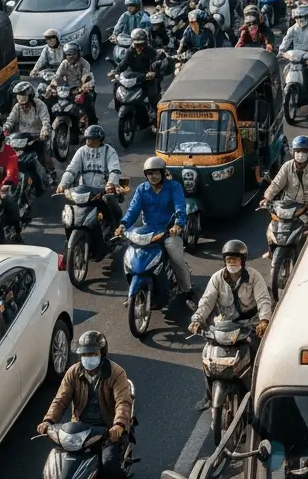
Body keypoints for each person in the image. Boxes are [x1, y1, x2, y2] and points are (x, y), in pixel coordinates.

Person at [38, 331, 133, 479]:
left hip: (107, 431)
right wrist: (48, 420)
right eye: (84, 355)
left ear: (102, 353)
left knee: (109, 467)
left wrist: (118, 425)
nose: (88, 358)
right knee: (59, 466)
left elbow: (123, 402)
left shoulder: (116, 373)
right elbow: (60, 400)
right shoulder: (73, 372)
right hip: (79, 431)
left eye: (92, 354)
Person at [188, 240, 273, 371]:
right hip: (225, 326)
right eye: (229, 259)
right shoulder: (217, 278)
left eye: (235, 259)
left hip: (249, 325)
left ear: (242, 260)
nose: (232, 263)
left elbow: (263, 300)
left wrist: (264, 320)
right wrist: (197, 319)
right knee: (209, 355)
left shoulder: (254, 276)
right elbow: (207, 300)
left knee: (259, 356)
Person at [118, 156, 193, 301]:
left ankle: (186, 289)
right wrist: (124, 224)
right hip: (148, 231)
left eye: (156, 173)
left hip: (168, 231)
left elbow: (180, 207)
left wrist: (178, 224)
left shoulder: (174, 187)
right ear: (146, 175)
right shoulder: (142, 189)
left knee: (177, 260)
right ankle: (135, 289)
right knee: (132, 257)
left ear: (163, 173)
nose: (153, 176)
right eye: (150, 173)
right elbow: (133, 209)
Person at [57, 125, 125, 227]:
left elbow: (114, 170)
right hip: (83, 191)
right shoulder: (81, 151)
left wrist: (111, 183)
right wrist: (63, 183)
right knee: (70, 213)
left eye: (93, 139)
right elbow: (72, 170)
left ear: (100, 140)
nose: (89, 141)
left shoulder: (109, 151)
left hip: (102, 191)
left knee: (112, 206)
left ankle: (116, 230)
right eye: (87, 139)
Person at [3, 81, 54, 184]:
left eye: (26, 102)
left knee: (43, 156)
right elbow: (11, 120)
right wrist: (6, 128)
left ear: (30, 97)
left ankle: (48, 174)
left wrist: (44, 130)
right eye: (19, 96)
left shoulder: (40, 105)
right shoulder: (17, 106)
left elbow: (46, 121)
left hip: (38, 137)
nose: (24, 106)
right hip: (21, 138)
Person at [111, 28, 161, 117]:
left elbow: (155, 63)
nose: (139, 47)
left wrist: (152, 72)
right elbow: (124, 63)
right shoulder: (130, 51)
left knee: (152, 93)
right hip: (133, 75)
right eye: (137, 45)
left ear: (145, 43)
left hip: (146, 76)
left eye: (141, 44)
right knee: (116, 84)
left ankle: (155, 113)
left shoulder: (150, 51)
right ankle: (118, 105)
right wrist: (116, 71)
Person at [263, 135, 308, 210]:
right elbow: (277, 184)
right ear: (293, 152)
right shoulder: (287, 166)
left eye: (304, 152)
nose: (300, 155)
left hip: (307, 207)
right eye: (298, 151)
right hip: (288, 205)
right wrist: (267, 198)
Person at [50, 42, 97, 126]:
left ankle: (93, 124)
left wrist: (84, 86)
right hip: (68, 90)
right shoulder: (64, 63)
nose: (71, 57)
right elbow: (57, 76)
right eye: (68, 54)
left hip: (82, 89)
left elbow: (86, 76)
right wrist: (52, 86)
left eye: (73, 54)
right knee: (51, 100)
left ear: (78, 54)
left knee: (87, 103)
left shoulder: (84, 63)